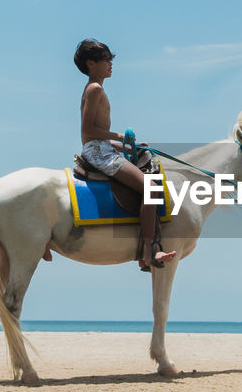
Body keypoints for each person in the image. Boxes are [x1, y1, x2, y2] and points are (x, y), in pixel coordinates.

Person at [74, 38, 177, 272]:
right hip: (98, 152)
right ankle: (150, 252)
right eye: (106, 59)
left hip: (102, 148)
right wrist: (120, 137)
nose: (111, 63)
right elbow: (88, 131)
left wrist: (128, 147)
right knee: (151, 189)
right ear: (91, 63)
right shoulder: (95, 89)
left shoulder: (96, 88)